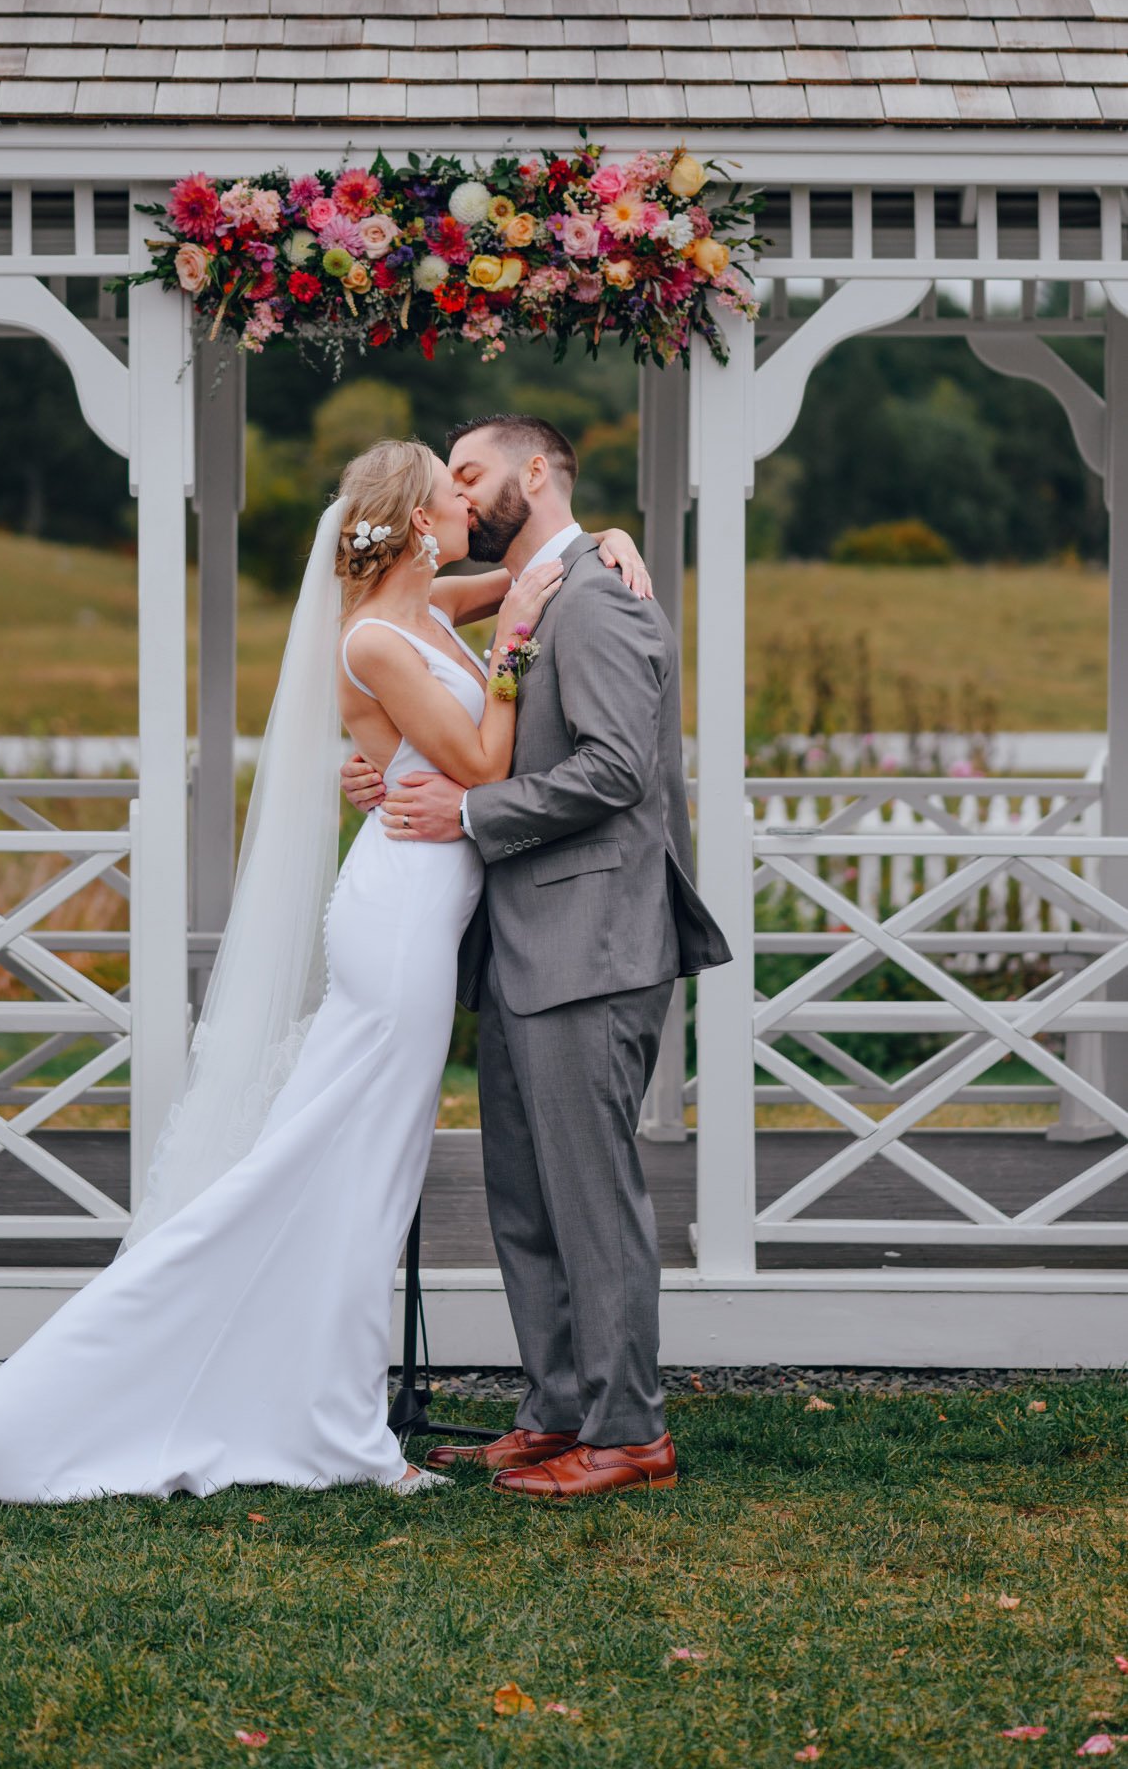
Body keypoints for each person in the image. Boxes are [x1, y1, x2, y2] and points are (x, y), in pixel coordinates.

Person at [0, 437, 652, 1504]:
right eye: (451, 487)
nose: (468, 499)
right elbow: (481, 766)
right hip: (401, 919)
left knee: (359, 1163)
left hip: (423, 900)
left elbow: (525, 570)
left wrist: (607, 536)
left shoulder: (422, 608)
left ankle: (328, 1386)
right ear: (419, 519)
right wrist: (509, 650)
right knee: (342, 1161)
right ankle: (309, 1400)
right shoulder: (376, 636)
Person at [341, 414, 731, 1501]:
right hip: (518, 942)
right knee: (523, 1191)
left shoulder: (599, 598)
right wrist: (390, 767)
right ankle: (555, 1407)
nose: (457, 496)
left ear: (536, 471)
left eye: (470, 472)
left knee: (590, 1194)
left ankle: (628, 1428)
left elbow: (615, 772)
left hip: (593, 939)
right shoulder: (536, 589)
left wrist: (468, 809)